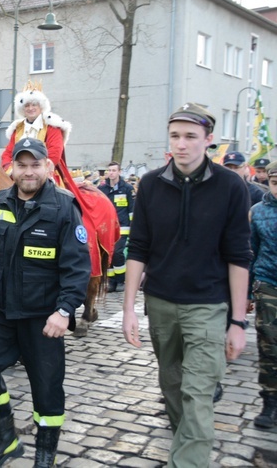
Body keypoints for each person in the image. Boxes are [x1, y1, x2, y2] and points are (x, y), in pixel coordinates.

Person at [122, 103, 252, 467]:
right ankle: (187, 442)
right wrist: (129, 309)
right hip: (161, 305)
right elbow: (139, 248)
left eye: (191, 137)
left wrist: (238, 322)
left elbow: (239, 255)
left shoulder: (231, 186)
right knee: (173, 388)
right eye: (175, 136)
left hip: (208, 306)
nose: (181, 145)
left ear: (208, 140)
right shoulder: (149, 184)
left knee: (198, 391)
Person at [0, 138, 90, 467]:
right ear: (13, 169)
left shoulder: (64, 208)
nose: (29, 171)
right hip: (2, 312)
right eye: (22, 165)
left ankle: (44, 456)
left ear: (48, 167)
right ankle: (6, 439)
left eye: (35, 165)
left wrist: (64, 312)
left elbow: (77, 269)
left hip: (43, 318)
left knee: (47, 389)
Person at [250, 160, 277, 429]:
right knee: (269, 347)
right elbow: (251, 252)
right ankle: (270, 402)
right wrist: (247, 292)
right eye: (275, 182)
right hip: (268, 283)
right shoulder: (258, 212)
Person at [98, 161, 135, 292]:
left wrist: (133, 227)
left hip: (123, 227)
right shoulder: (102, 189)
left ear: (119, 172)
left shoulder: (127, 188)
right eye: (109, 170)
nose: (111, 173)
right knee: (108, 254)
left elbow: (132, 209)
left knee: (118, 253)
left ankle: (121, 280)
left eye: (114, 170)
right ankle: (111, 281)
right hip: (107, 228)